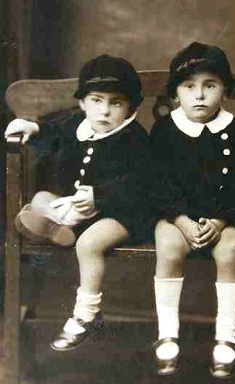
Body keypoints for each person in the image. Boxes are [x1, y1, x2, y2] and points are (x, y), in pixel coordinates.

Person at [5, 54, 158, 352]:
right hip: (79, 209)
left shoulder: (135, 139)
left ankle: (85, 314)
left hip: (124, 214)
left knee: (88, 244)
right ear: (82, 102)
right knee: (40, 199)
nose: (104, 111)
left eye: (116, 103)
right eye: (96, 100)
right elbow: (53, 132)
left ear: (131, 107)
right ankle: (60, 226)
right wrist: (33, 128)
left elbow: (141, 183)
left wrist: (100, 197)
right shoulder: (77, 123)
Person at [150, 42, 235, 378]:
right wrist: (181, 220)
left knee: (232, 248)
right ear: (176, 93)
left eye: (210, 86)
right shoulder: (166, 128)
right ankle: (168, 333)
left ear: (225, 91)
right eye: (189, 86)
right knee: (167, 245)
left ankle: (226, 337)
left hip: (223, 216)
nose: (199, 95)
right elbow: (160, 183)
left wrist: (221, 221)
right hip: (176, 216)